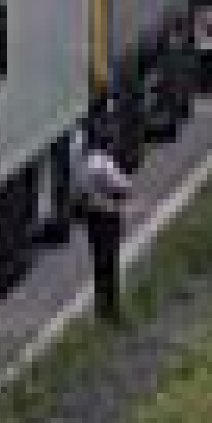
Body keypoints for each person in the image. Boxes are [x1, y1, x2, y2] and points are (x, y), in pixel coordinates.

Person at [71, 135, 136, 322]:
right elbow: (124, 187)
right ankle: (112, 309)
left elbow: (77, 194)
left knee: (99, 264)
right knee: (110, 264)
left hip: (92, 219)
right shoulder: (102, 163)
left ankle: (101, 308)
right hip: (108, 216)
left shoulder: (79, 166)